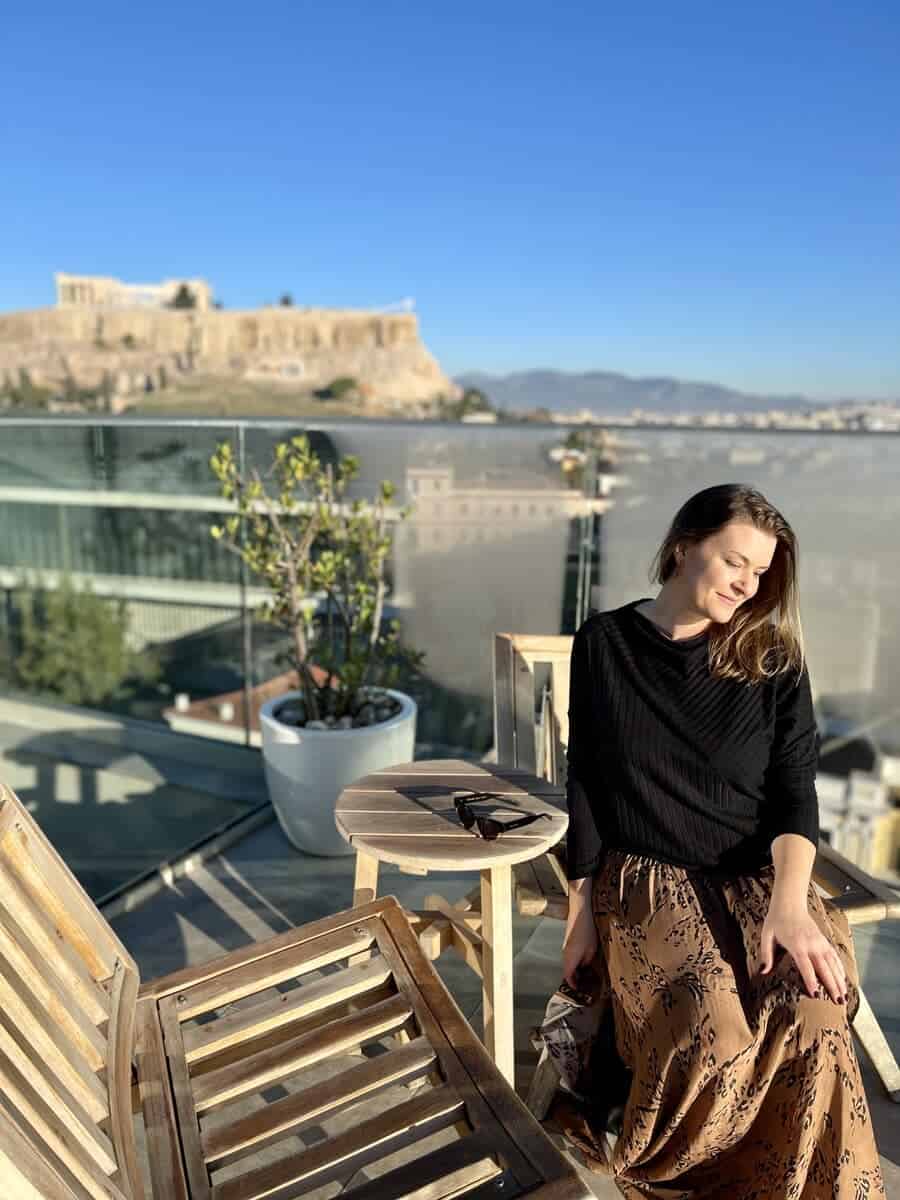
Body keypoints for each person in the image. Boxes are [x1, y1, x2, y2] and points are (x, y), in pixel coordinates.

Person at [561, 483, 885, 1199]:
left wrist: (793, 906)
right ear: (682, 546)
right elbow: (582, 777)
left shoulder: (774, 661)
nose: (749, 584)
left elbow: (797, 795)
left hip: (759, 879)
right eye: (736, 561)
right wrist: (580, 911)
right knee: (713, 1035)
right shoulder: (605, 644)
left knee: (814, 1017)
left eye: (762, 571)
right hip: (648, 878)